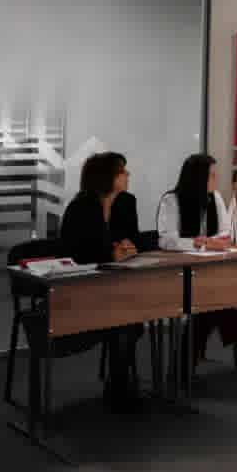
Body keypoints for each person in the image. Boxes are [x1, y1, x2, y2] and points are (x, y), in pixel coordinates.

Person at [157, 154, 237, 371]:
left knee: (210, 304)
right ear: (198, 177)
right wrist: (199, 243)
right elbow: (166, 239)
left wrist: (213, 242)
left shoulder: (214, 197)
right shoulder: (171, 200)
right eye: (212, 175)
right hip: (181, 272)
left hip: (212, 269)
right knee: (215, 301)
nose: (216, 179)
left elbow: (225, 232)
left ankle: (183, 367)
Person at [59, 151, 141, 409]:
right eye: (122, 171)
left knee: (133, 314)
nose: (127, 175)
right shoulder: (81, 208)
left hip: (110, 285)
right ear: (107, 177)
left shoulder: (125, 203)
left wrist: (127, 248)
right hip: (79, 288)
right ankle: (119, 388)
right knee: (126, 320)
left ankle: (119, 385)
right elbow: (76, 255)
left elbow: (132, 239)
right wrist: (111, 254)